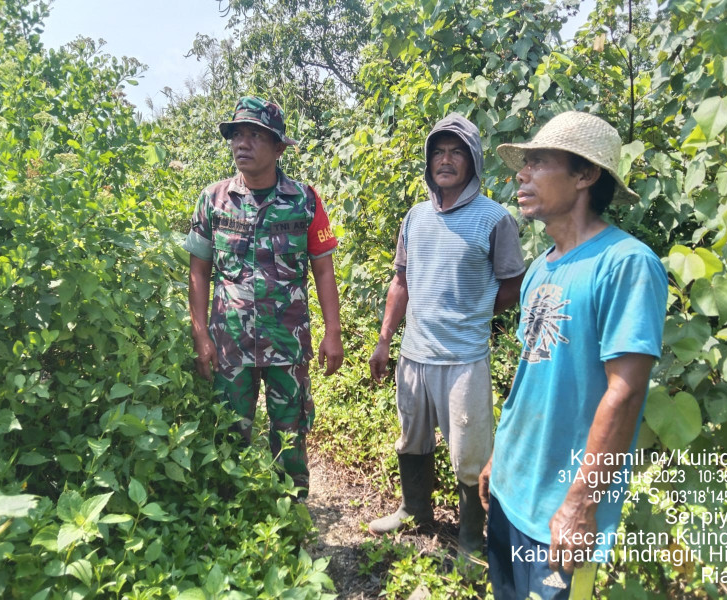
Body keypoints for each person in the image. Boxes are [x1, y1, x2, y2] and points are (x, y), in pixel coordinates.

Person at [479, 111, 668, 599]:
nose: (521, 174)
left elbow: (624, 394)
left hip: (560, 511)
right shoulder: (541, 269)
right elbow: (531, 377)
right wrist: (498, 459)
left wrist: (581, 506)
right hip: (511, 490)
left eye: (538, 162)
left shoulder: (627, 264)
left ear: (585, 175)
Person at [367, 113, 526, 554]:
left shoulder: (496, 219)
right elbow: (400, 282)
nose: (446, 159)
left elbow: (512, 285)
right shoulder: (415, 217)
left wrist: (476, 313)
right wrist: (384, 340)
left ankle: (472, 539)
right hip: (414, 355)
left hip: (464, 360)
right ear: (428, 159)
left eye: (457, 151)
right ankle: (414, 512)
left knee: (470, 456)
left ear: (473, 160)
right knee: (411, 439)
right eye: (439, 150)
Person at [184, 96, 344, 498]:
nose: (243, 144)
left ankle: (291, 517)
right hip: (229, 345)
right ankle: (231, 519)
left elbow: (323, 268)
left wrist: (333, 332)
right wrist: (200, 334)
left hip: (286, 343)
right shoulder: (213, 200)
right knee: (228, 434)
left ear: (278, 147)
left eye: (255, 135)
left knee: (290, 434)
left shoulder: (304, 200)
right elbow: (198, 270)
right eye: (237, 135)